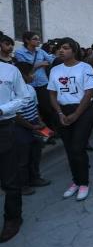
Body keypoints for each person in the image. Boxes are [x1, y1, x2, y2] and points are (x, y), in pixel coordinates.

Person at [47, 37, 93, 201]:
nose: (61, 50)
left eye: (66, 48)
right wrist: (60, 113)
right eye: (60, 48)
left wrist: (76, 114)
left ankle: (84, 183)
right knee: (69, 148)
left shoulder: (85, 67)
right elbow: (52, 94)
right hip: (63, 110)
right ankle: (75, 181)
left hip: (83, 110)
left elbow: (89, 92)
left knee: (77, 148)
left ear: (74, 50)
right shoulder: (55, 70)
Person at [0, 61, 29, 243]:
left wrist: (2, 109)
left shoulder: (10, 70)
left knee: (9, 177)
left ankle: (13, 217)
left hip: (3, 127)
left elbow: (23, 97)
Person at [14, 62, 51, 196]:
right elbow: (16, 115)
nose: (33, 75)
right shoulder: (13, 93)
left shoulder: (30, 89)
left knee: (36, 152)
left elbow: (35, 107)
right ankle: (23, 185)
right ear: (21, 76)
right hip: (20, 127)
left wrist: (40, 122)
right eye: (30, 73)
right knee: (23, 158)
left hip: (34, 123)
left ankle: (35, 177)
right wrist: (31, 126)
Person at [15, 32, 55, 131]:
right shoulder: (19, 52)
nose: (38, 41)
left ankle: (50, 131)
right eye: (35, 39)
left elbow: (51, 60)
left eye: (38, 38)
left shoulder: (41, 52)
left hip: (42, 83)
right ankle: (38, 132)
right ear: (27, 40)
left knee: (47, 109)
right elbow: (24, 68)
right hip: (28, 84)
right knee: (33, 110)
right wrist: (40, 64)